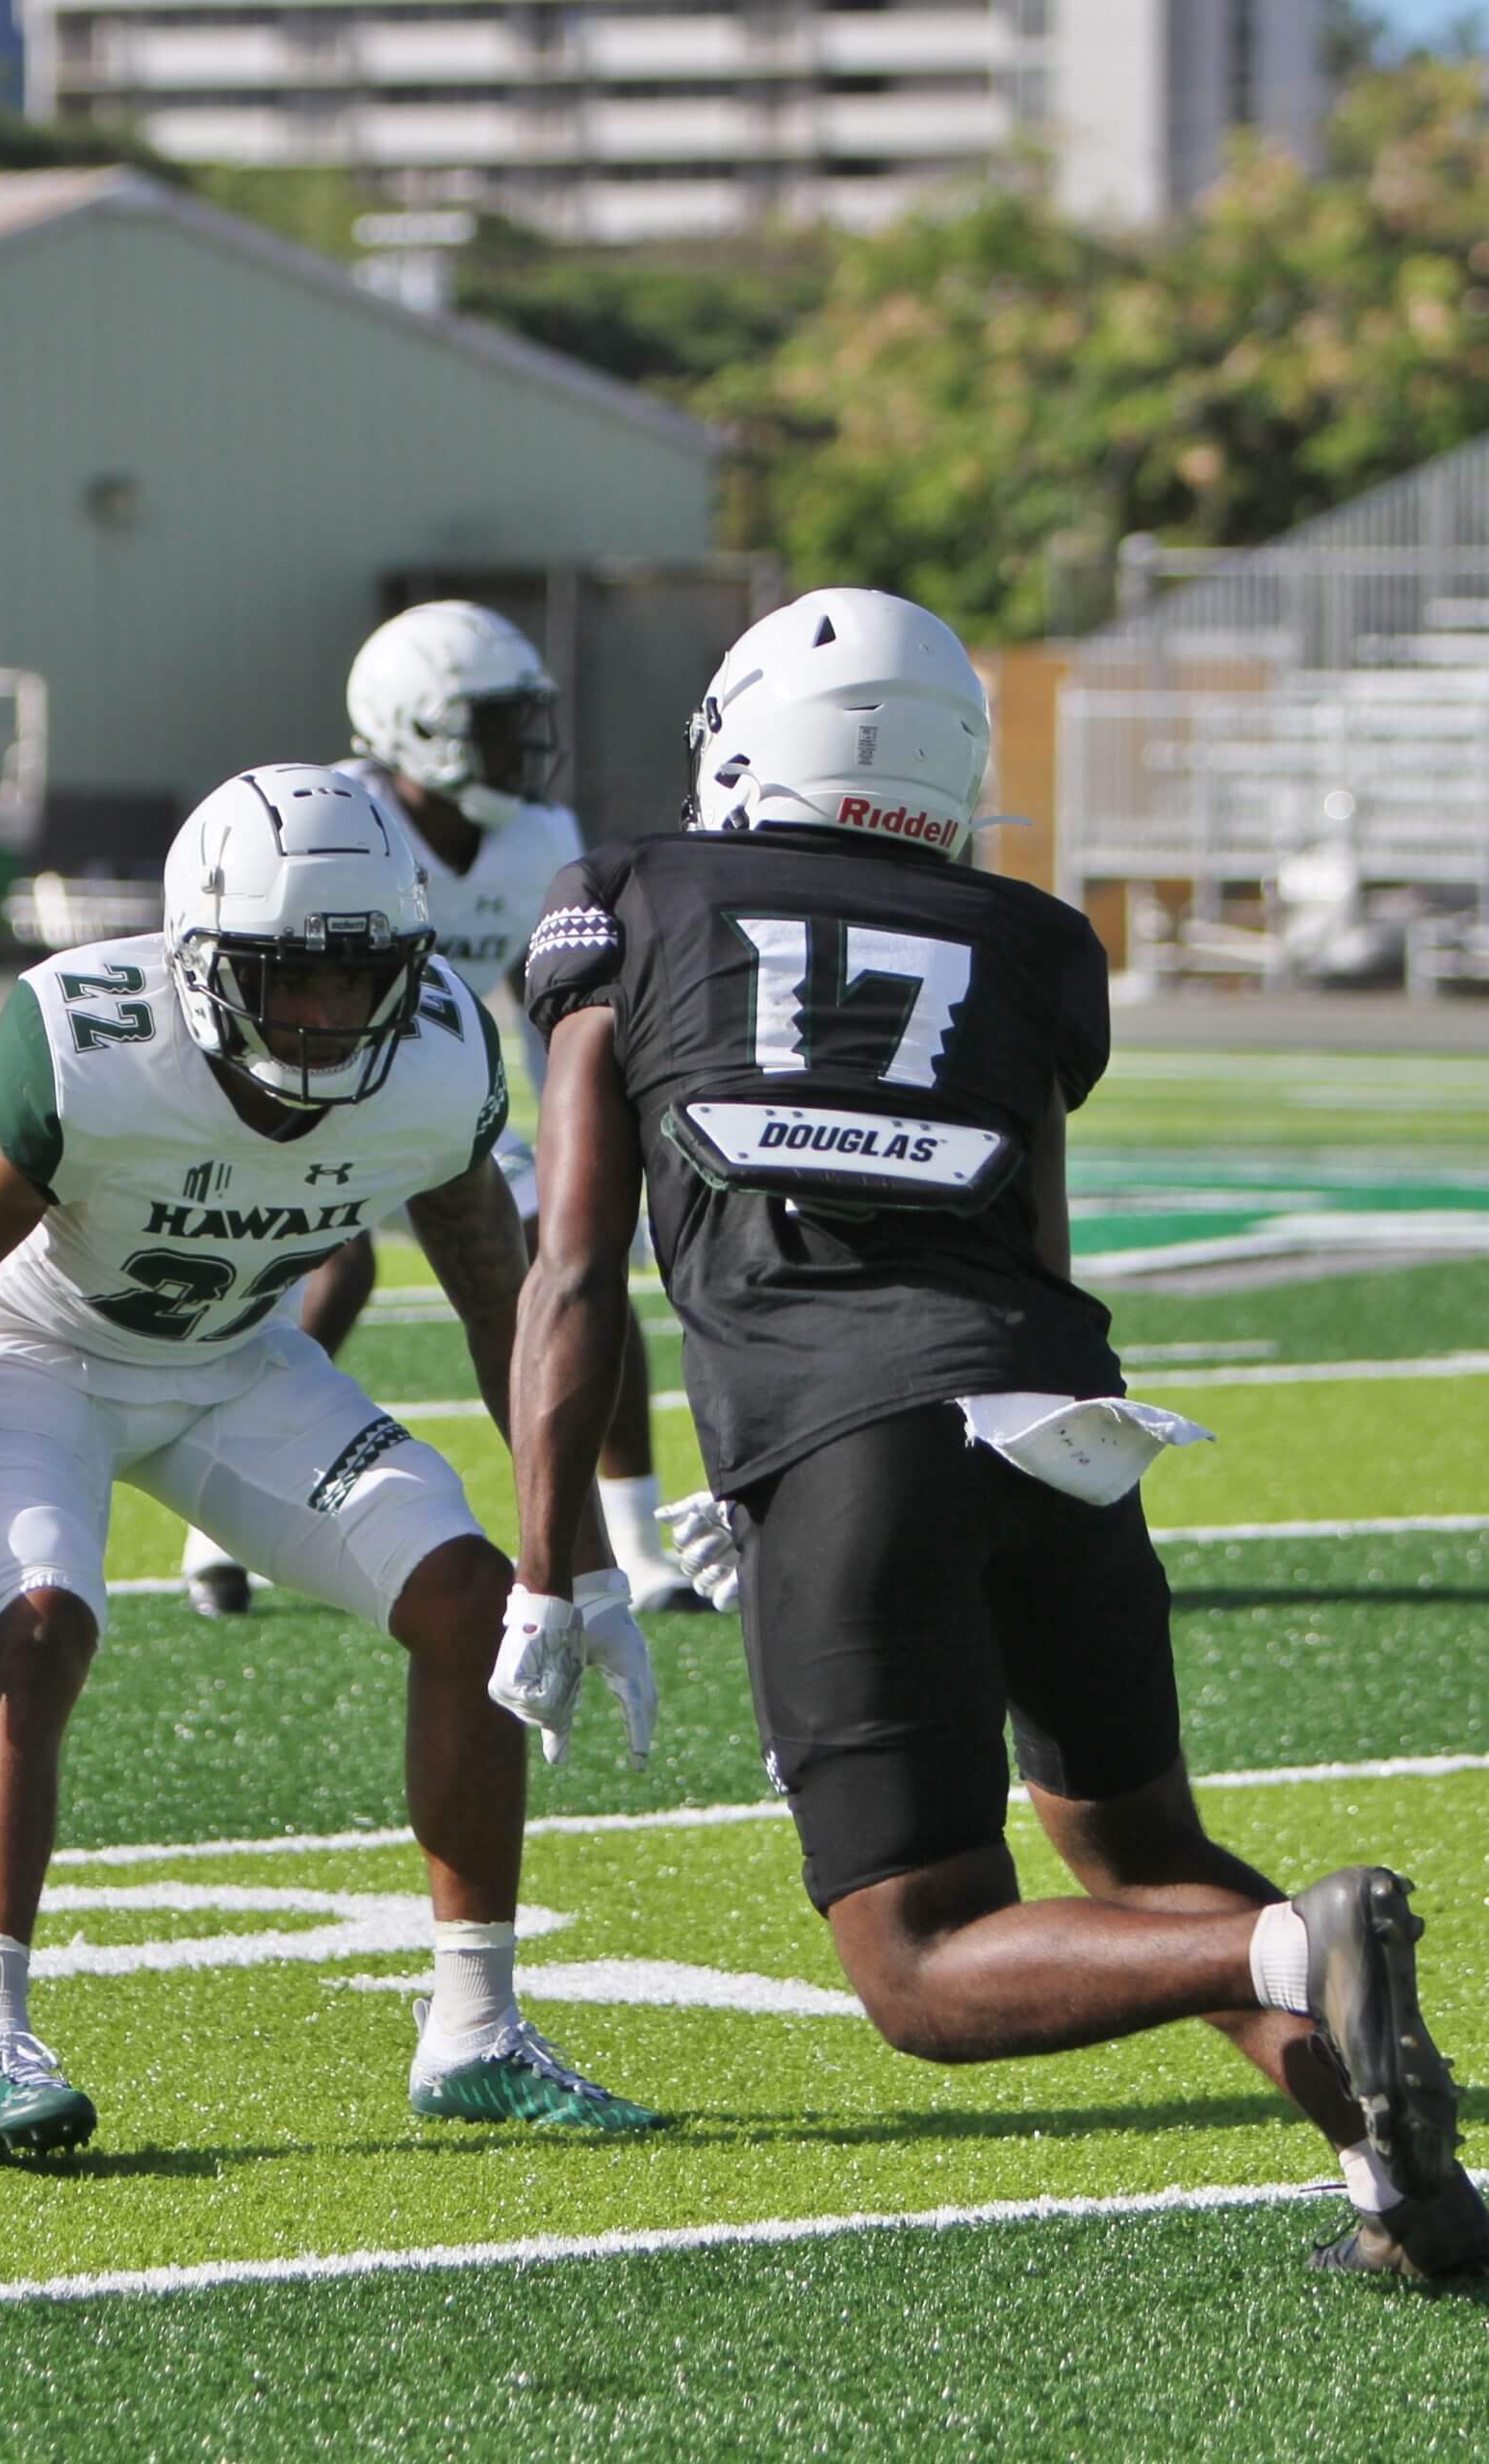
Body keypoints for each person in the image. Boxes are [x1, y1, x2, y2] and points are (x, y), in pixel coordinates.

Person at [494, 586, 1487, 2281]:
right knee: (1137, 1845)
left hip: (848, 1425)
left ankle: (1285, 1953)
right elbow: (1038, 1246)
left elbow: (573, 1271)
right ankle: (1409, 2194)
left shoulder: (633, 896)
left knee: (918, 1963)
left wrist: (551, 1566)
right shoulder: (1026, 937)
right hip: (1058, 1414)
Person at [0, 761, 667, 2162]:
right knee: (37, 1629)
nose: (328, 1015)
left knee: (471, 1601)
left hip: (233, 1365)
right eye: (290, 978)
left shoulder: (436, 1061)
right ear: (199, 961)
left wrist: (575, 1563)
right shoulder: (88, 1045)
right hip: (42, 1353)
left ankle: (475, 2031)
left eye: (358, 977)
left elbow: (503, 1302)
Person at [180, 601, 701, 1617]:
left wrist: (582, 1145)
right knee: (332, 1268)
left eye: (521, 723)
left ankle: (634, 1544)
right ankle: (218, 1516)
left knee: (573, 1259)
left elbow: (552, 1005)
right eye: (493, 725)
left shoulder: (541, 837)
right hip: (312, 1092)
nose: (519, 748)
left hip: (444, 1106)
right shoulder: (335, 815)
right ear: (410, 723)